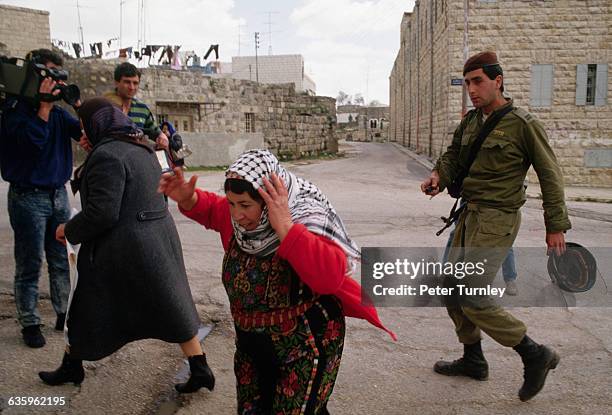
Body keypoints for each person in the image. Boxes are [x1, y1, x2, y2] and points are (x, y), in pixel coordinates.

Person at [159, 149, 395, 414]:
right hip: (252, 345)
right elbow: (214, 210)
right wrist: (189, 198)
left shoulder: (305, 220)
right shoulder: (242, 225)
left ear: (268, 198)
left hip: (304, 347)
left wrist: (285, 226)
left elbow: (330, 277)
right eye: (232, 203)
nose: (237, 215)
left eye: (246, 205)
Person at [421, 51, 571, 402]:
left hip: (497, 217)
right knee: (450, 286)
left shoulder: (523, 123)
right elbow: (453, 156)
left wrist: (556, 225)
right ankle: (474, 359)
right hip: (468, 215)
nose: (472, 89)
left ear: (498, 80)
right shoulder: (471, 121)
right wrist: (437, 176)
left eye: (478, 81)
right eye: (468, 82)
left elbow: (550, 174)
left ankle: (535, 354)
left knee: (471, 292)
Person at [38, 98, 214, 394]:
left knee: (84, 304)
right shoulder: (142, 146)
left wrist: (69, 229)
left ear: (96, 125)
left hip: (125, 246)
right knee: (172, 305)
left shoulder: (107, 155)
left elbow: (103, 212)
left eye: (84, 126)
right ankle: (200, 367)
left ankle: (72, 365)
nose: (82, 132)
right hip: (157, 238)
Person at [0, 48, 88, 348]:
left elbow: (88, 137)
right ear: (34, 73)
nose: (54, 80)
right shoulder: (13, 111)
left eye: (58, 75)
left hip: (58, 195)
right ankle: (29, 321)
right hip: (27, 197)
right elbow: (29, 143)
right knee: (29, 262)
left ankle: (63, 312)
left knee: (62, 260)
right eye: (49, 73)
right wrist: (44, 107)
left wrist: (78, 106)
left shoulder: (61, 115)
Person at [104, 62, 168, 150]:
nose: (132, 87)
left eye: (135, 83)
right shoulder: (104, 107)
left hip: (136, 159)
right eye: (127, 82)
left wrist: (162, 137)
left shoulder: (142, 109)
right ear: (116, 83)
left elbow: (154, 131)